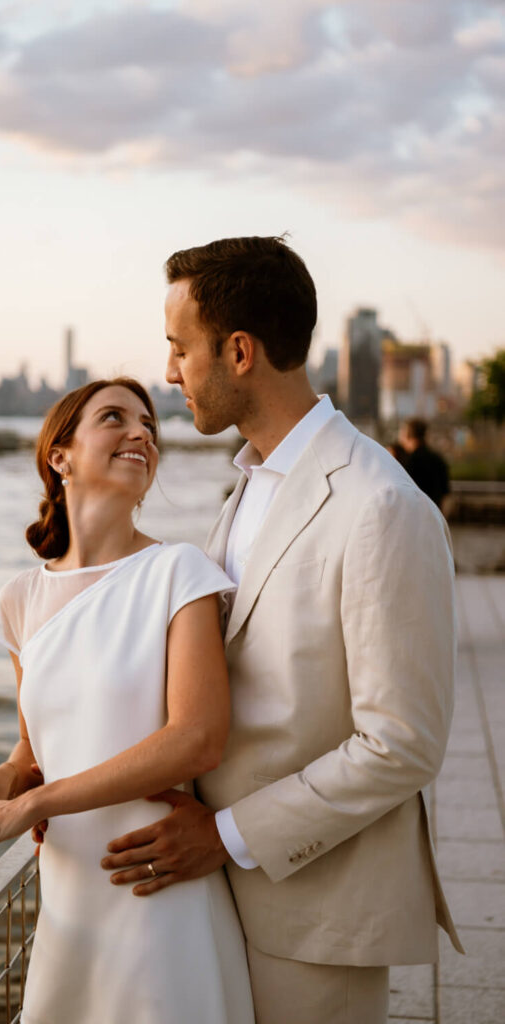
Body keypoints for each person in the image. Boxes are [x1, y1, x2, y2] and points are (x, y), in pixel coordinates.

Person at [100, 237, 463, 1024]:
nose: (169, 372)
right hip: (215, 898)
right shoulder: (249, 484)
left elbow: (400, 743)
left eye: (179, 348)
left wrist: (224, 835)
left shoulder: (380, 506)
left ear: (237, 352)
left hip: (313, 916)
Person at [0, 378, 255, 1024]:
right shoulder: (21, 599)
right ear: (60, 456)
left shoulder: (178, 572)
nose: (141, 434)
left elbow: (196, 737)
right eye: (114, 418)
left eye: (148, 424)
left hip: (160, 886)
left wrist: (35, 804)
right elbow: (31, 748)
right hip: (70, 898)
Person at [400, 417, 451, 511]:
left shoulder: (407, 462)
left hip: (414, 515)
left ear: (408, 436)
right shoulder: (438, 459)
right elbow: (445, 495)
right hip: (435, 515)